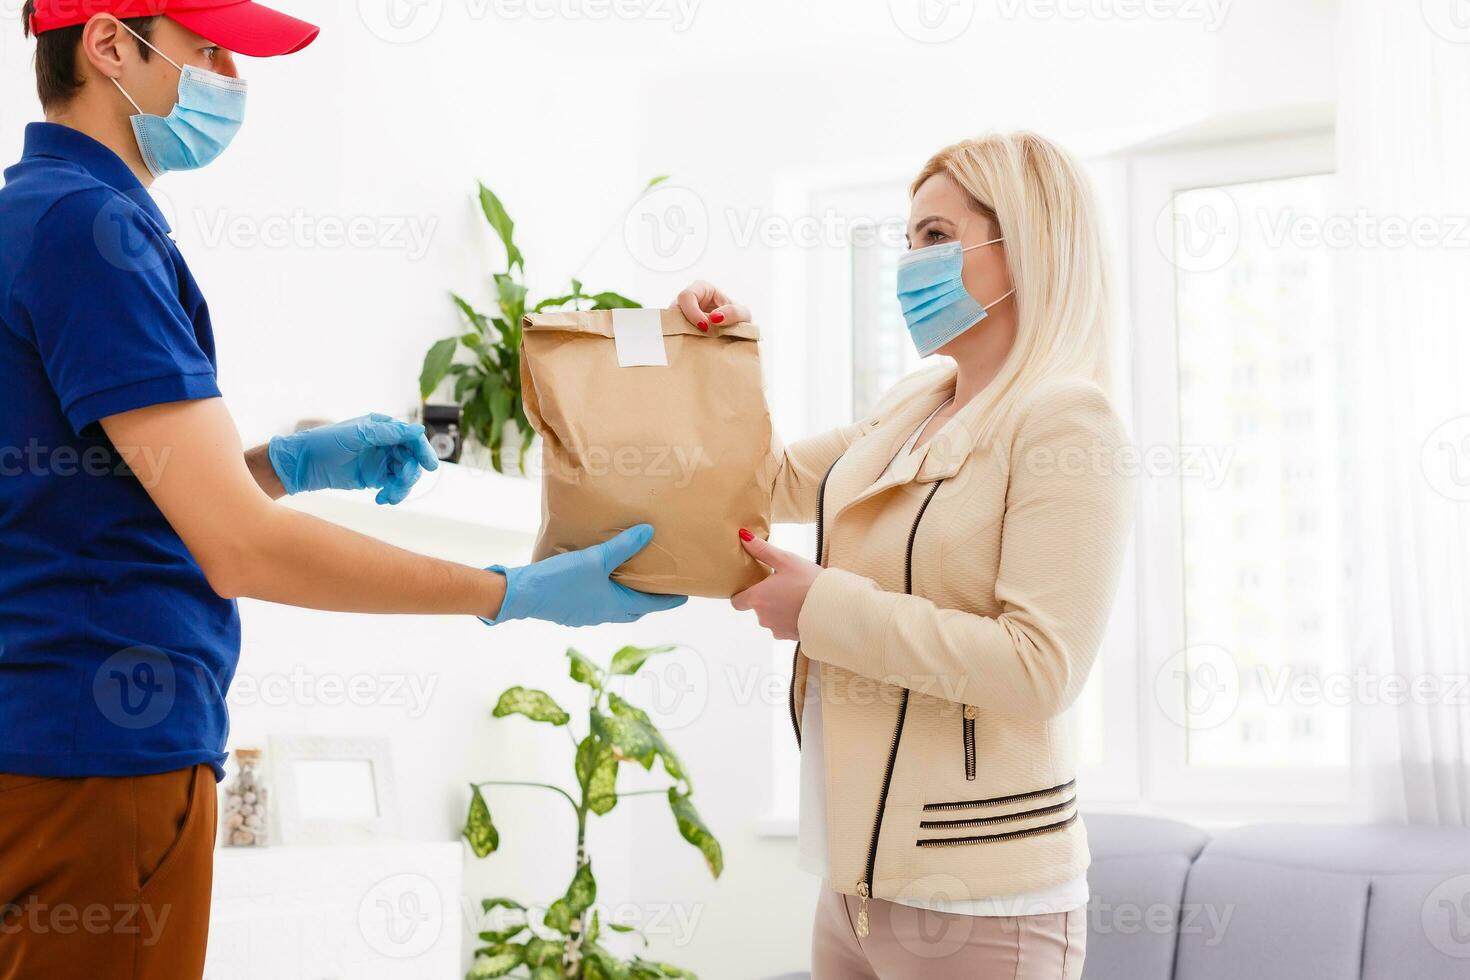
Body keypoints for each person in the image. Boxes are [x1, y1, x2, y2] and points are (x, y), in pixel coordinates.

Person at [0, 2, 683, 975]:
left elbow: (98, 504)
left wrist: (287, 462)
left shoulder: (34, 212)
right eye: (208, 49)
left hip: (53, 738)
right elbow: (235, 547)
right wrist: (508, 592)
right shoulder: (91, 228)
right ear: (109, 42)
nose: (232, 77)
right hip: (106, 754)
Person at [675, 132, 1133, 978]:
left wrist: (820, 609)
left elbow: (1041, 669)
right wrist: (723, 355)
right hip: (853, 887)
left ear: (1024, 245)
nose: (907, 265)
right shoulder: (916, 403)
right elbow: (769, 479)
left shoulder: (1068, 421)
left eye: (933, 237)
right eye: (906, 239)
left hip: (984, 904)